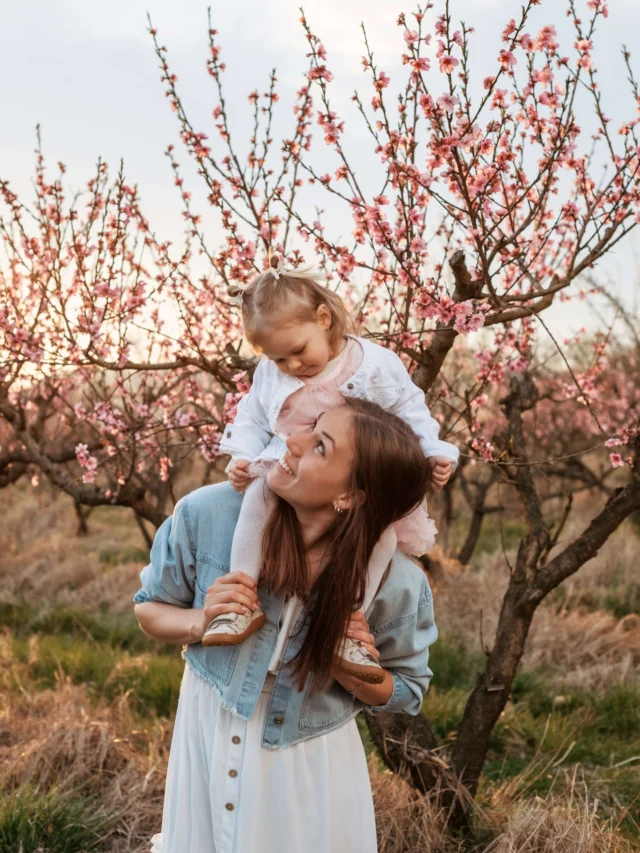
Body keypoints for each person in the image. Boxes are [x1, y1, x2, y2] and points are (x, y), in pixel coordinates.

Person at [134, 399, 438, 853]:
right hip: (210, 724)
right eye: (309, 428)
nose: (289, 443)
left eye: (319, 446)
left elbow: (407, 691)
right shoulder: (210, 514)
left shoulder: (397, 582)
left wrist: (344, 663)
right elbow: (148, 609)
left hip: (307, 755)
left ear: (350, 497)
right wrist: (202, 620)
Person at [203, 255, 457, 685]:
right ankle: (241, 593)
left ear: (324, 318)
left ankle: (349, 622)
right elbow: (252, 416)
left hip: (356, 474)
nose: (291, 367)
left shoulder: (374, 364)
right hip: (290, 459)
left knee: (383, 534)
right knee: (259, 495)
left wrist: (432, 451)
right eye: (279, 360)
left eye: (298, 352)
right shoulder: (271, 372)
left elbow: (410, 410)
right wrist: (243, 455)